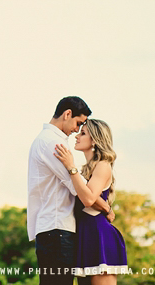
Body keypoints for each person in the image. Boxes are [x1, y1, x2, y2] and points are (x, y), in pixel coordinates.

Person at [28, 96, 112, 285]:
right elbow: (79, 187)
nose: (76, 130)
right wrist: (106, 207)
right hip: (57, 228)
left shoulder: (48, 140)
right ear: (67, 114)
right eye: (78, 123)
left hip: (55, 229)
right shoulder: (53, 143)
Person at [54, 119, 128, 283]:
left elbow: (88, 199)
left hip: (99, 236)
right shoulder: (85, 171)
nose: (76, 136)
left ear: (94, 140)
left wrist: (70, 167)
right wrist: (106, 207)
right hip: (85, 236)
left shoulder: (103, 165)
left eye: (83, 133)